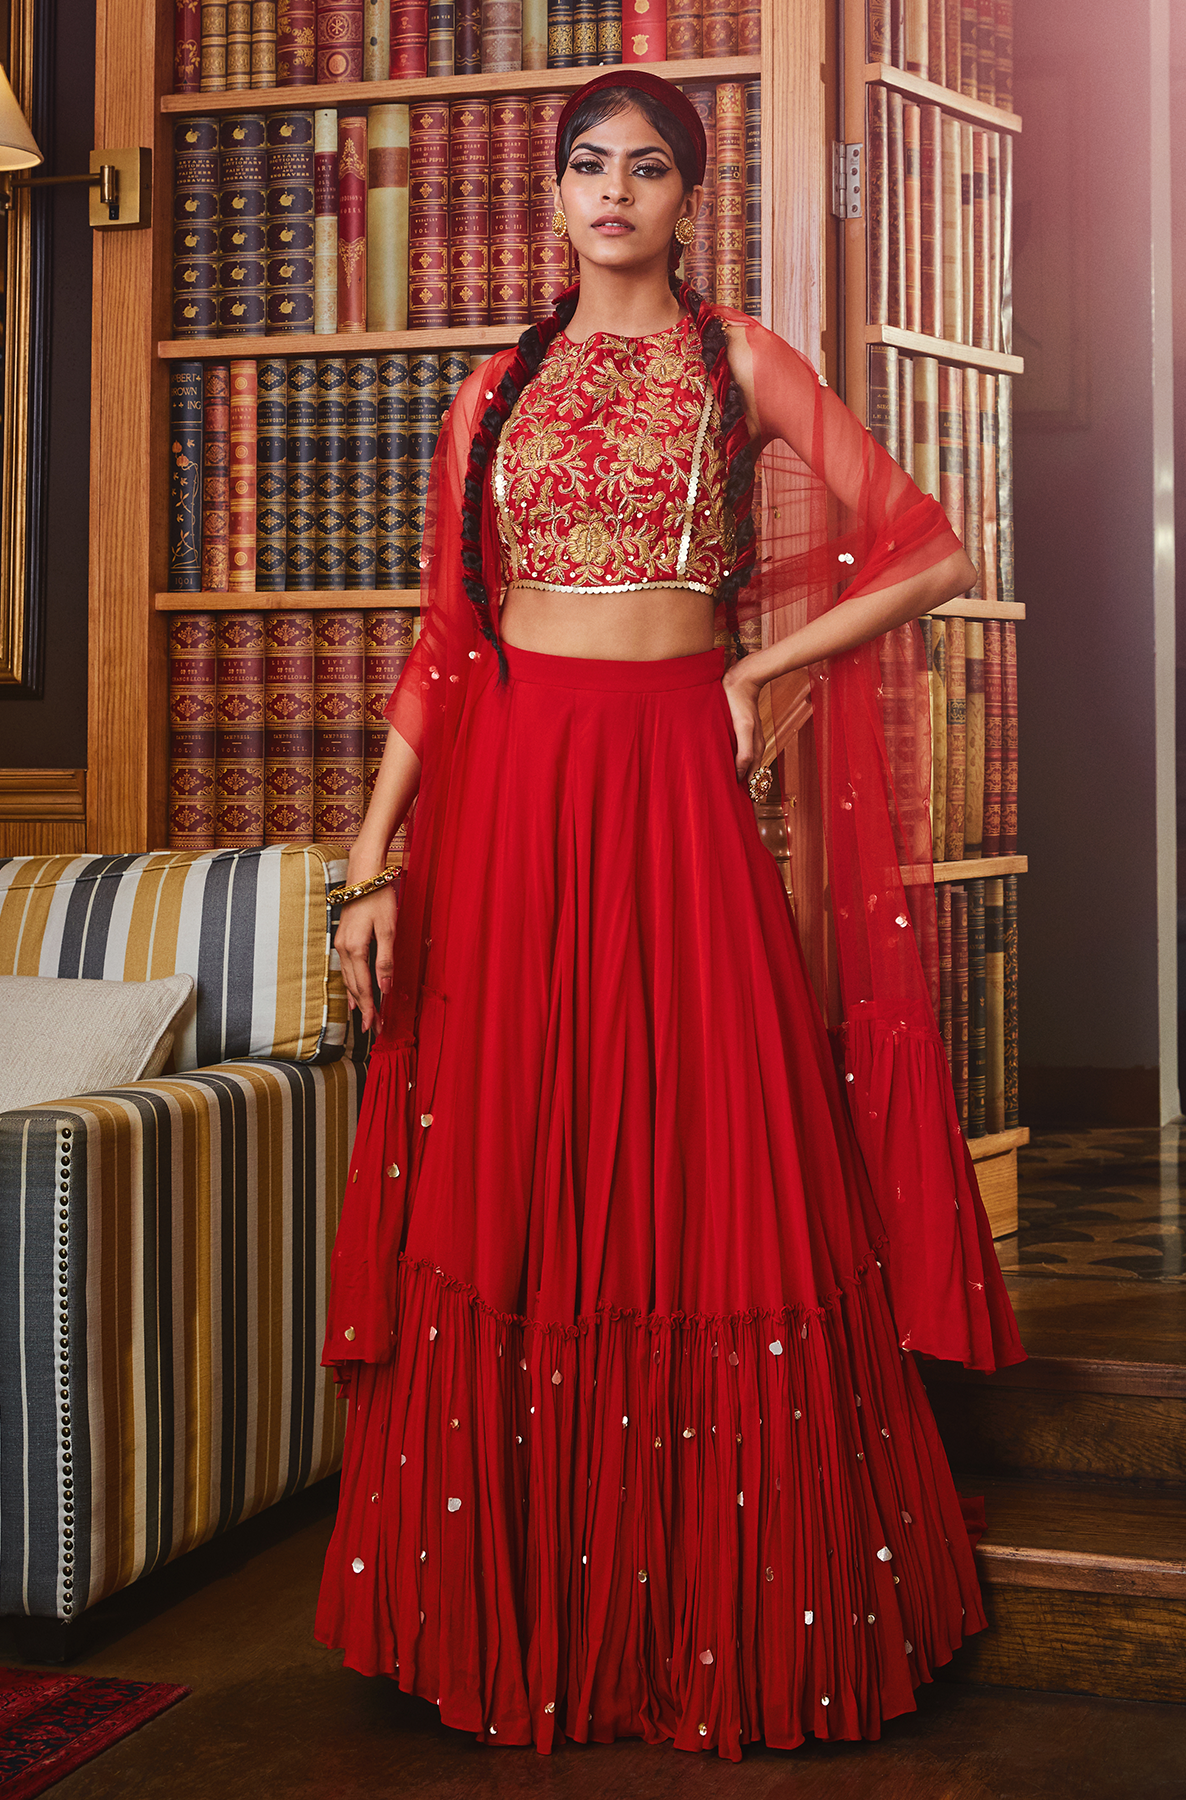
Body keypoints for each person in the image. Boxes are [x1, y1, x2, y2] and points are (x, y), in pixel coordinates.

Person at [315, 71, 1024, 1761]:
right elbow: (446, 647)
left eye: (646, 168)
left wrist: (759, 679)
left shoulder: (739, 362)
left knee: (713, 1162)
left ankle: (726, 1620)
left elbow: (927, 547)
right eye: (587, 166)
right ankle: (527, 1620)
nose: (613, 191)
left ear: (687, 199)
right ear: (553, 196)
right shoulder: (493, 391)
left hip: (675, 796)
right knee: (524, 1166)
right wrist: (369, 864)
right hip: (512, 812)